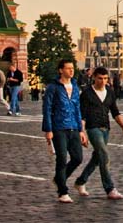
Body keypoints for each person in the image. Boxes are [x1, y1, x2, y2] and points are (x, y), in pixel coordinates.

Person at [74, 67, 123, 200]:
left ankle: (81, 181)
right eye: (100, 78)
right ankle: (109, 188)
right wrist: (82, 132)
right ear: (94, 78)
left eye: (105, 79)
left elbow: (115, 111)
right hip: (93, 128)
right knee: (104, 154)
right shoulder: (87, 93)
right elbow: (83, 115)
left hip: (106, 128)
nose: (102, 81)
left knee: (97, 158)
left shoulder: (110, 92)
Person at [42, 59, 88, 203]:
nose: (71, 71)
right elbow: (47, 109)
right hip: (59, 127)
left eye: (72, 68)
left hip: (73, 127)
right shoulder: (53, 87)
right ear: (60, 70)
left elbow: (77, 108)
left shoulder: (75, 86)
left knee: (77, 158)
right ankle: (63, 191)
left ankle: (59, 179)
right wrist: (48, 130)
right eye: (68, 68)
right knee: (61, 158)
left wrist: (81, 130)